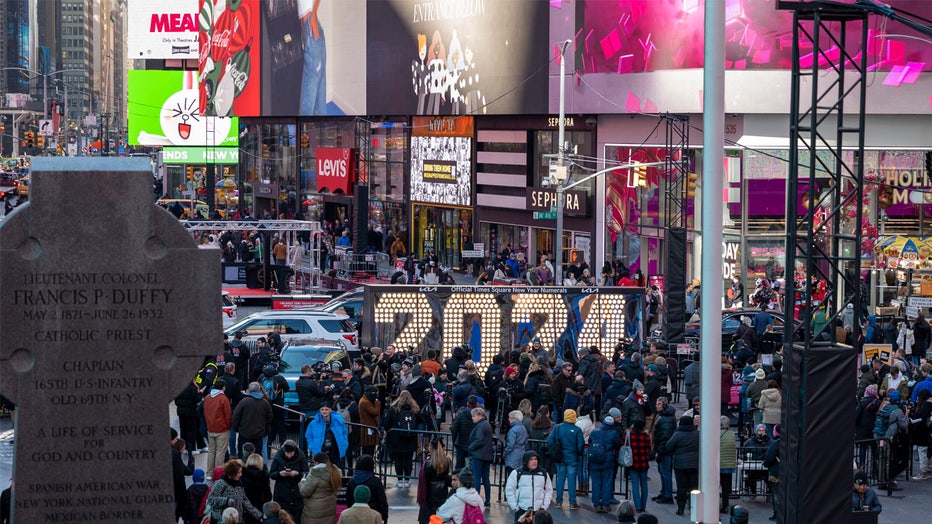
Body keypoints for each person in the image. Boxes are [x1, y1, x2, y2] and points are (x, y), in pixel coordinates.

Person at [661, 415, 700, 516]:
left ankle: (681, 508)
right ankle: (694, 507)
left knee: (681, 488)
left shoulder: (678, 434)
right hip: (694, 464)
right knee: (694, 487)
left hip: (680, 465)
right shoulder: (697, 434)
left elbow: (668, 446)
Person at [382, 390, 422, 488]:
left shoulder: (393, 409)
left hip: (397, 439)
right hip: (411, 439)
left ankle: (400, 480)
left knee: (398, 460)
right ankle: (407, 480)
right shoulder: (415, 409)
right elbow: (421, 421)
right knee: (408, 460)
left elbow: (386, 424)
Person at [547, 409, 585, 509]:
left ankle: (559, 501)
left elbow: (550, 441)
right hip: (572, 458)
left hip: (560, 458)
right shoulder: (577, 430)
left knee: (560, 478)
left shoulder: (557, 427)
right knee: (572, 480)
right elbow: (580, 446)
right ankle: (572, 502)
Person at [505, 451, 553, 523]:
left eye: (535, 459)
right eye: (531, 459)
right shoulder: (517, 473)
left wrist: (544, 506)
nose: (534, 461)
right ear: (526, 461)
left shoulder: (543, 473)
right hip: (522, 510)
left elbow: (549, 490)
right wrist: (515, 507)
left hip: (538, 511)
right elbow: (509, 490)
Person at [233, 382, 274, 459]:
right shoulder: (264, 402)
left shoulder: (244, 401)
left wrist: (236, 428)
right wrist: (265, 429)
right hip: (258, 433)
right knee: (257, 455)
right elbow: (270, 417)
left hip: (244, 433)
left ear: (249, 390)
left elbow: (236, 416)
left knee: (243, 454)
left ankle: (243, 469)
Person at [270, 441, 309, 521]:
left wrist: (297, 474)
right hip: (282, 493)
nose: (289, 455)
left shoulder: (301, 457)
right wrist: (280, 474)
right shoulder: (278, 457)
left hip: (296, 493)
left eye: (291, 453)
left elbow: (306, 473)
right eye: (287, 453)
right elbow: (271, 474)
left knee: (296, 518)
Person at [417, 438, 453, 524]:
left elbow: (425, 479)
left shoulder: (429, 463)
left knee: (428, 517)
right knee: (440, 516)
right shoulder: (447, 461)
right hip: (442, 491)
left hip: (430, 492)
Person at [299, 452, 342, 524]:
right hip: (329, 507)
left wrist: (302, 481)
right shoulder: (334, 471)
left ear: (316, 462)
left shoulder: (316, 473)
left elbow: (305, 492)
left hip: (314, 511)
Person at [346, 455, 389, 524]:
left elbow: (348, 500)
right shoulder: (375, 481)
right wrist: (384, 517)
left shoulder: (352, 481)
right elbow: (382, 501)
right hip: (373, 516)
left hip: (354, 516)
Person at [305, 401, 349, 469]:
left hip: (336, 452)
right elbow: (308, 435)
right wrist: (312, 447)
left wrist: (344, 444)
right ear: (320, 410)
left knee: (338, 474)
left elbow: (345, 432)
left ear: (330, 410)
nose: (324, 411)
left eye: (326, 409)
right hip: (321, 452)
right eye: (322, 409)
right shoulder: (313, 423)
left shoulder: (339, 421)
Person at [467, 407, 494, 507]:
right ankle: (487, 499)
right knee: (486, 478)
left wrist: (470, 448)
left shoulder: (480, 426)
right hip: (487, 455)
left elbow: (479, 440)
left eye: (474, 416)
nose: (472, 418)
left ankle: (476, 499)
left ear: (479, 416)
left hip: (478, 455)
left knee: (477, 477)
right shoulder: (487, 425)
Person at [651, 397, 676, 505]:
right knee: (662, 471)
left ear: (664, 405)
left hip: (665, 450)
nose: (657, 405)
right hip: (661, 448)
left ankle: (667, 494)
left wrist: (660, 450)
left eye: (659, 404)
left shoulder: (666, 419)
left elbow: (665, 436)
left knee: (665, 472)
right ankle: (664, 491)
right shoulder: (663, 416)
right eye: (656, 403)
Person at [205, 381, 233, 475]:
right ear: (223, 387)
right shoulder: (223, 399)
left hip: (210, 428)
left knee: (211, 451)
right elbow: (228, 415)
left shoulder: (207, 397)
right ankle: (218, 475)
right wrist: (228, 426)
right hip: (222, 429)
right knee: (220, 453)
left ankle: (209, 473)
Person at [627, 419, 652, 513]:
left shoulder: (629, 435)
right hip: (643, 463)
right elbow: (649, 449)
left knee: (635, 484)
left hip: (633, 463)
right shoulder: (645, 436)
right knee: (644, 484)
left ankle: (637, 506)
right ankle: (643, 506)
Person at [241, 453, 272, 524]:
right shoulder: (264, 476)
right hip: (258, 507)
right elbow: (268, 496)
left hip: (244, 506)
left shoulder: (242, 474)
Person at [504, 410, 529, 478]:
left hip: (513, 456)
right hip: (521, 455)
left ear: (514, 419)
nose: (508, 419)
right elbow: (526, 442)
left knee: (511, 477)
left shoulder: (513, 430)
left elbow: (510, 445)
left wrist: (505, 452)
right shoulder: (523, 428)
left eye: (510, 418)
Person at [720, 416, 737, 514]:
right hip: (729, 464)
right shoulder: (731, 434)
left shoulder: (715, 433)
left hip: (719, 463)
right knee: (726, 486)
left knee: (715, 485)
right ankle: (725, 505)